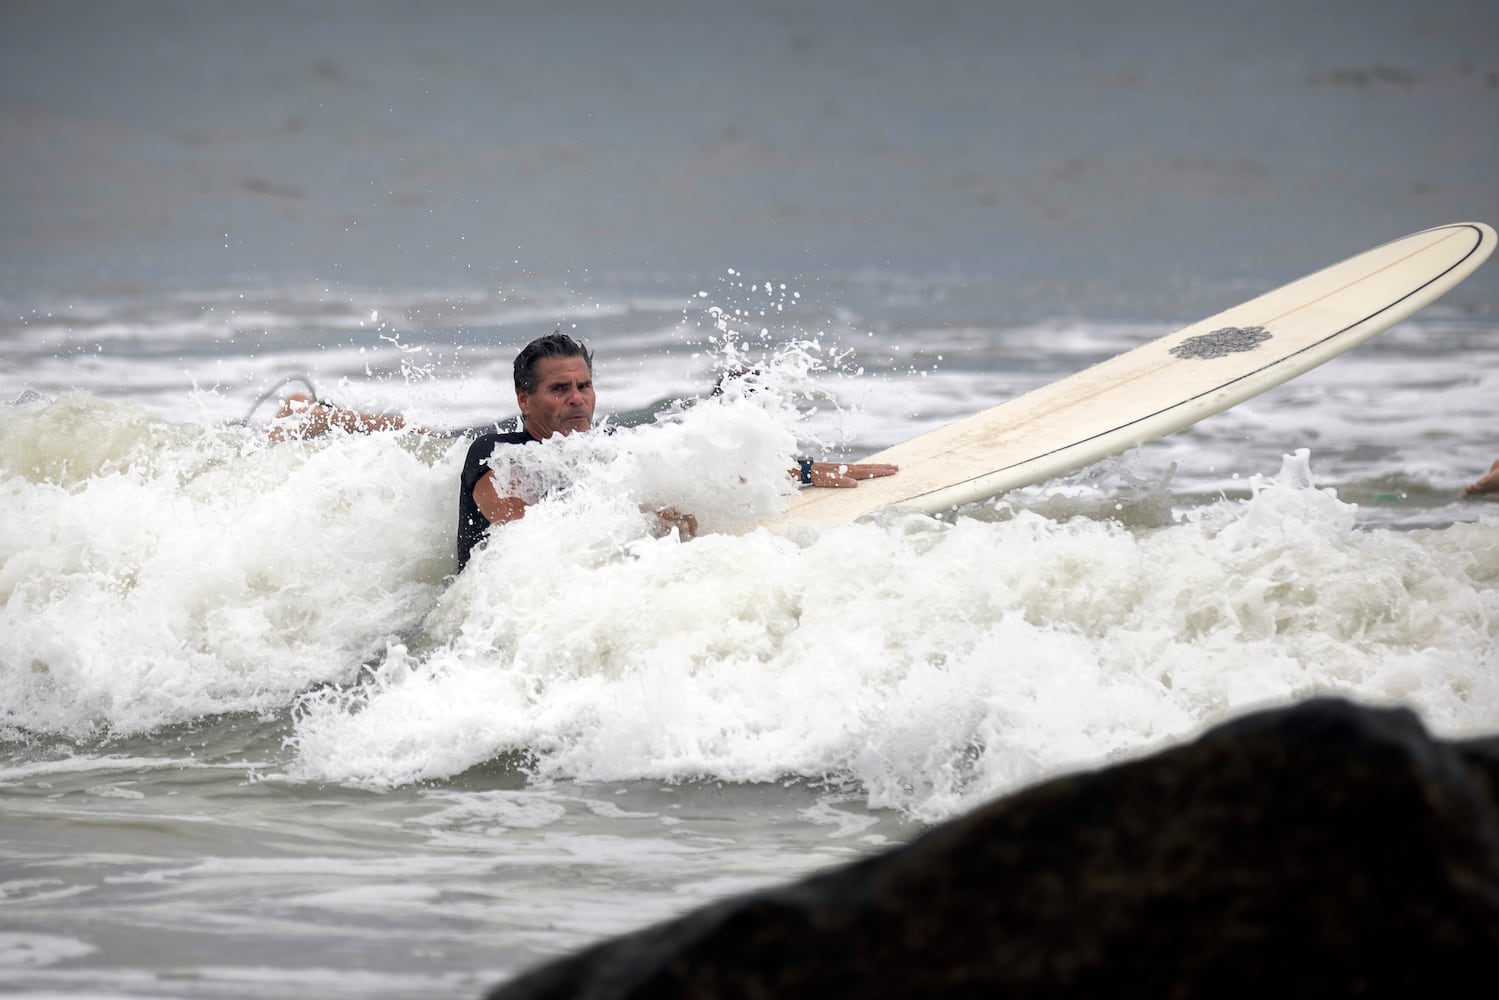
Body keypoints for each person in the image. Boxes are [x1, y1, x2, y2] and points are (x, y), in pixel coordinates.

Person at [456, 331, 898, 570]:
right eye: (559, 389)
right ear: (523, 399)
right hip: (498, 617)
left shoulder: (606, 450)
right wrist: (637, 509)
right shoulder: (496, 452)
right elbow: (514, 518)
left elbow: (700, 471)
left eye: (584, 385)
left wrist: (800, 472)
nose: (577, 398)